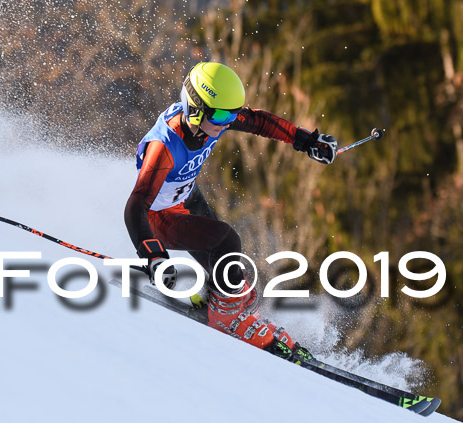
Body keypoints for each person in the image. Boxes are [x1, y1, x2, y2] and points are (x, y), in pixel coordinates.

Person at [124, 61, 337, 359]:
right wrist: (155, 258)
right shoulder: (165, 146)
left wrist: (306, 141)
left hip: (185, 197)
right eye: (224, 115)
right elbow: (135, 206)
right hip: (158, 217)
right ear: (196, 109)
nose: (229, 122)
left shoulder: (210, 118)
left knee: (234, 274)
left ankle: (217, 298)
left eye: (232, 114)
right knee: (226, 240)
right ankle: (224, 316)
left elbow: (257, 121)